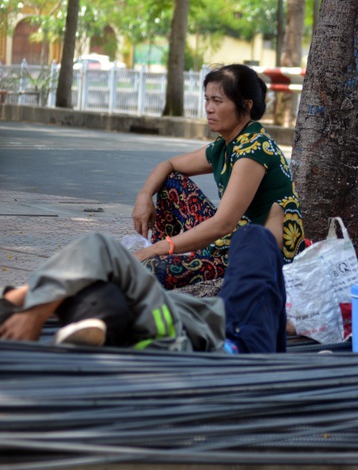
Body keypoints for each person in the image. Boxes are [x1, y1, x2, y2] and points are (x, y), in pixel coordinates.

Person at [131, 64, 304, 289]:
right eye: (207, 99)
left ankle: (158, 254)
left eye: (218, 101)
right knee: (171, 181)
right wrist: (144, 195)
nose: (209, 108)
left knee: (151, 270)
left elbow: (223, 224)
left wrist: (155, 250)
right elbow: (169, 164)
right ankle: (160, 250)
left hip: (252, 259)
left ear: (246, 105)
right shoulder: (226, 145)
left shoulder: (254, 149)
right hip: (230, 239)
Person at [0, 225, 287, 354]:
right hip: (238, 340)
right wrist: (34, 310)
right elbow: (99, 245)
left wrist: (28, 300)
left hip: (212, 329)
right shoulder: (154, 326)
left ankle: (283, 328)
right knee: (254, 236)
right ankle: (279, 352)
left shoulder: (134, 332)